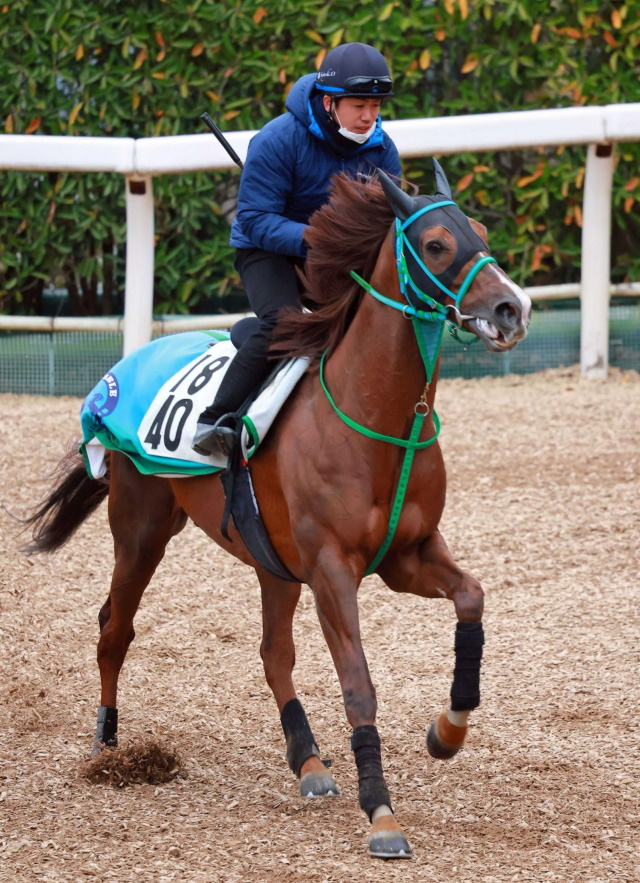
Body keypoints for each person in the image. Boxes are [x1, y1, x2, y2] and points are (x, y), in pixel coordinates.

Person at [192, 42, 402, 458]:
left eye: (376, 105)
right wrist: (320, 237)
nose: (369, 117)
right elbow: (253, 219)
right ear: (329, 102)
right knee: (284, 321)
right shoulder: (275, 140)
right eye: (359, 105)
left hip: (335, 258)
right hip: (266, 253)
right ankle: (215, 419)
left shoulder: (383, 150)